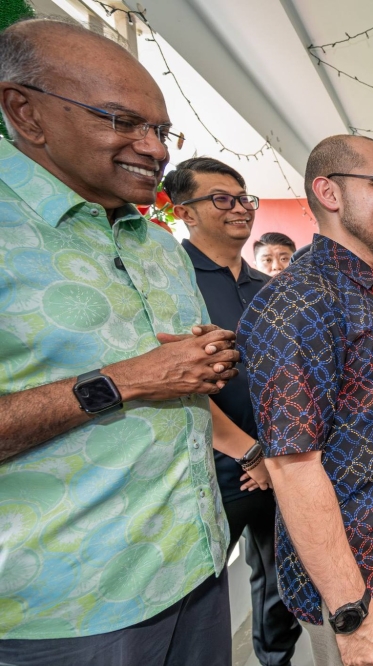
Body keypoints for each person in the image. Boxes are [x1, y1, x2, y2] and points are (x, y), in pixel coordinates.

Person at [0, 18, 237, 665]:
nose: (154, 148)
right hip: (65, 611)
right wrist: (128, 378)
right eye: (122, 121)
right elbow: (144, 375)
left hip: (197, 570)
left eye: (161, 130)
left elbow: (179, 375)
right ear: (26, 110)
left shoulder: (156, 244)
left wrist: (203, 364)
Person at [237, 135, 373, 666]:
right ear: (328, 193)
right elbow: (293, 467)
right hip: (359, 580)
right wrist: (351, 611)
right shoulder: (299, 301)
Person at [166, 157, 302, 666]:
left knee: (281, 577)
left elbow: (287, 377)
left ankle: (276, 659)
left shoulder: (268, 289)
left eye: (244, 198)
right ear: (185, 212)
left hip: (276, 460)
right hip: (209, 466)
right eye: (222, 198)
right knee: (197, 591)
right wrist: (249, 455)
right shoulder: (173, 280)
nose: (240, 208)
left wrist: (274, 453)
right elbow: (182, 384)